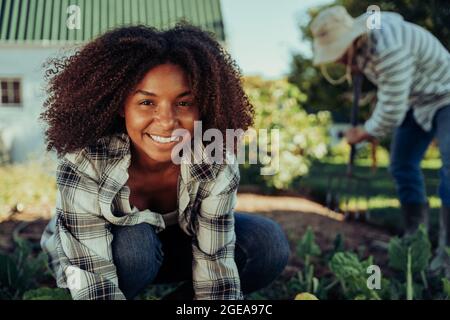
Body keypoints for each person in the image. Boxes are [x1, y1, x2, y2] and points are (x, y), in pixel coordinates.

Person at [40, 24, 290, 300]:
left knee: (266, 242)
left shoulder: (213, 159)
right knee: (136, 245)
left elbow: (215, 261)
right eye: (147, 103)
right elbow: (90, 275)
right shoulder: (85, 160)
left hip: (174, 250)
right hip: (91, 258)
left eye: (184, 103)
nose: (168, 122)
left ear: (204, 106)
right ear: (120, 106)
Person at [310, 6, 450, 272]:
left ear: (352, 39)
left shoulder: (389, 50)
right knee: (401, 164)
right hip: (416, 99)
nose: (338, 62)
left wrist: (365, 131)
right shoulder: (366, 36)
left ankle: (447, 255)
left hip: (445, 94)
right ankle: (414, 239)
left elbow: (392, 111)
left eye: (339, 53)